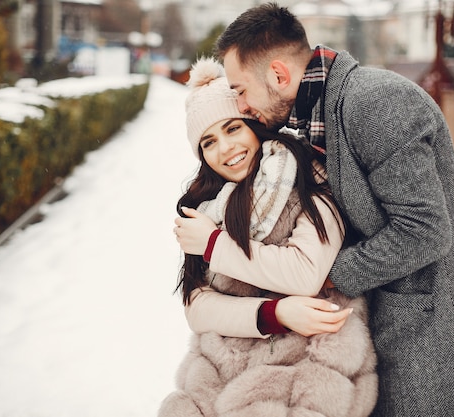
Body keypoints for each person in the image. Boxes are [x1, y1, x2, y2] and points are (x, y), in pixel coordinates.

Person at [182, 3, 454, 417]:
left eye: (240, 90)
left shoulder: (375, 102)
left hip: (428, 340)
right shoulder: (313, 122)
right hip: (380, 334)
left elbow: (424, 231)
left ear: (278, 75)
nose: (240, 105)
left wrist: (319, 275)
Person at [158, 57, 378, 417]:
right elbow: (197, 308)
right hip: (221, 370)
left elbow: (305, 273)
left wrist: (214, 244)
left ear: (254, 126)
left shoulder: (309, 179)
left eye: (232, 129)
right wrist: (273, 312)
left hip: (306, 365)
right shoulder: (207, 206)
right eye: (208, 142)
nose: (226, 149)